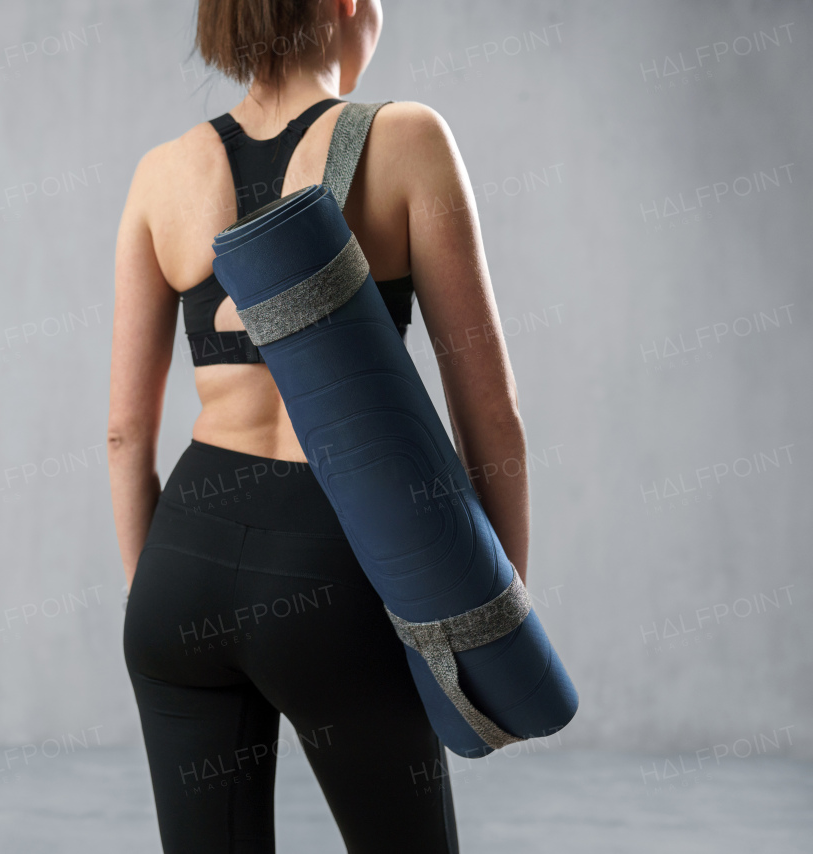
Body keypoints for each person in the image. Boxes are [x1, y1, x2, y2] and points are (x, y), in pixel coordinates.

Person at [107, 1, 527, 850]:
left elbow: (123, 435)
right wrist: (491, 611)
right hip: (333, 570)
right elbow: (489, 412)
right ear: (345, 5)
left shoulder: (162, 171)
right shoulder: (406, 138)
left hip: (179, 563)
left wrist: (156, 599)